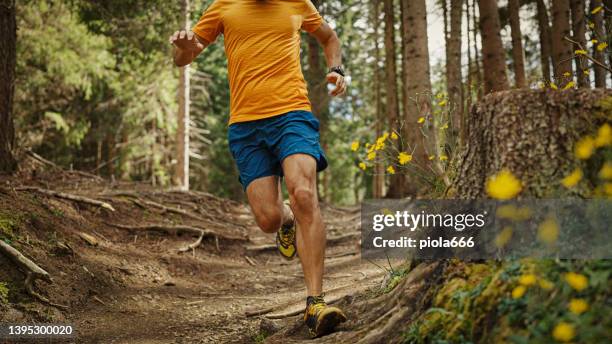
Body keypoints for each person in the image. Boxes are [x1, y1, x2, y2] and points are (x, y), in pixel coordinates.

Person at [169, 0, 347, 338]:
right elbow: (185, 56)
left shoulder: (298, 3)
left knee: (304, 193)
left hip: (292, 114)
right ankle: (286, 219)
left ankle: (316, 303)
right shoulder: (223, 7)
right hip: (246, 126)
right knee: (267, 219)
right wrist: (182, 48)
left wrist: (337, 69)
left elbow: (330, 38)